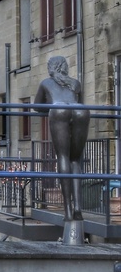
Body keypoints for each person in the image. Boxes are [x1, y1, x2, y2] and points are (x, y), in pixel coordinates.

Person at [34, 56, 90, 221]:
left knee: (63, 157)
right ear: (64, 67)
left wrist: (49, 108)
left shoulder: (45, 83)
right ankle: (78, 208)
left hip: (58, 111)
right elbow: (74, 99)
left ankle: (67, 210)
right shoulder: (75, 83)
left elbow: (37, 107)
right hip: (80, 110)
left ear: (51, 67)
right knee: (75, 160)